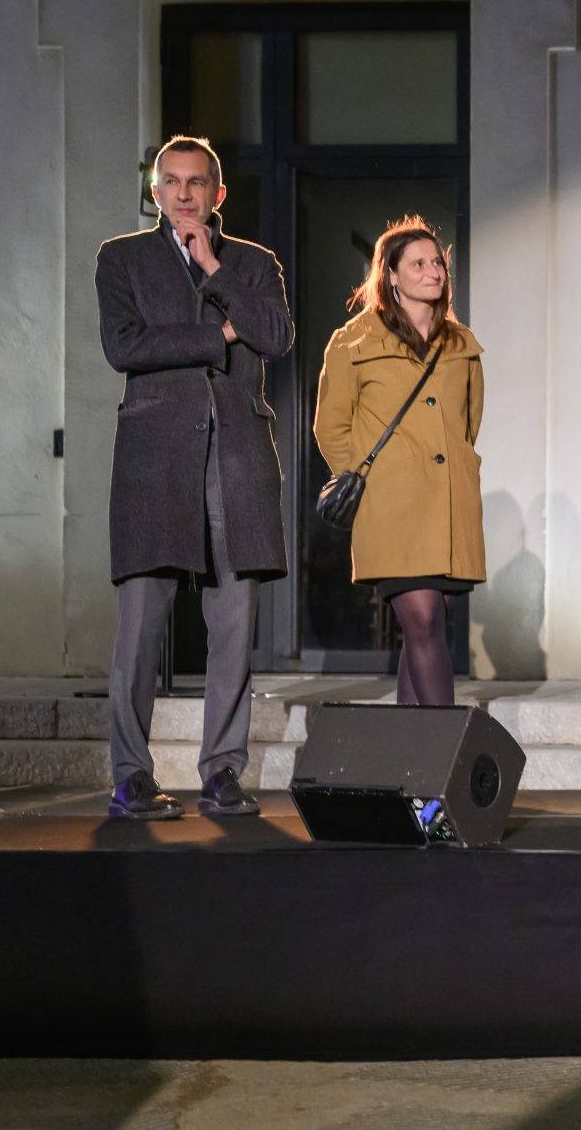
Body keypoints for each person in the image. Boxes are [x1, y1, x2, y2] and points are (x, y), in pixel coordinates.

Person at [96, 135, 294, 820]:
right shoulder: (121, 257)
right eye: (171, 182)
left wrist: (214, 267)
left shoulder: (253, 263)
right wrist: (219, 336)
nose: (184, 193)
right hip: (153, 461)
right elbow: (125, 346)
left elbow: (274, 334)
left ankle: (223, 771)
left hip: (236, 460)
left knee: (234, 625)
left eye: (197, 182)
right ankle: (131, 773)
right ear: (155, 192)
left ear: (218, 193)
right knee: (141, 626)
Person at [313, 216, 486, 706]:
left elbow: (469, 422)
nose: (433, 271)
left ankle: (412, 762)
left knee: (427, 629)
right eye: (418, 263)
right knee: (424, 620)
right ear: (390, 274)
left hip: (449, 509)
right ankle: (441, 759)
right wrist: (377, 480)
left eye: (437, 262)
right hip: (390, 509)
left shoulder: (460, 344)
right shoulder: (352, 341)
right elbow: (331, 426)